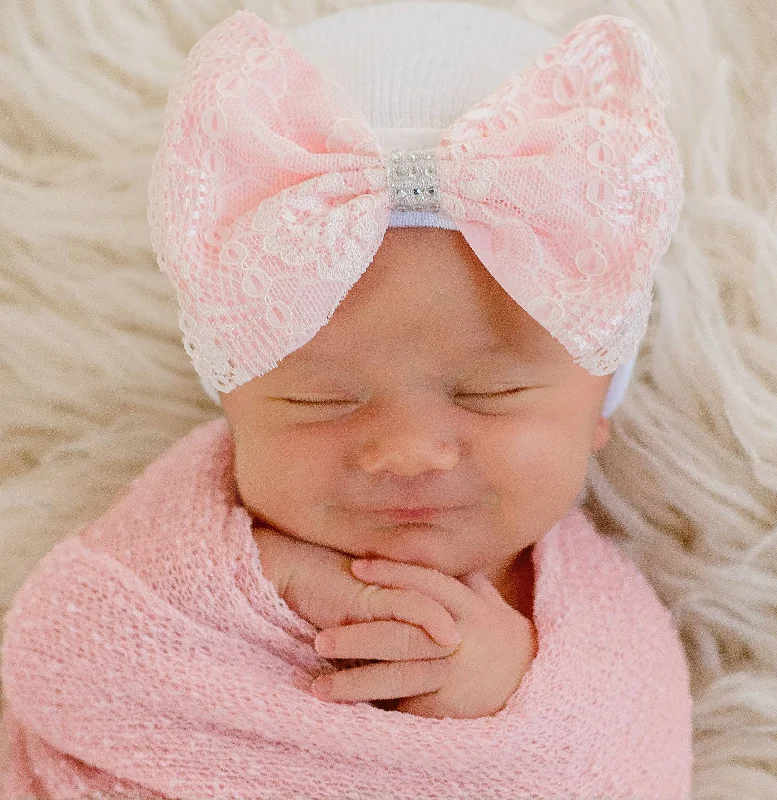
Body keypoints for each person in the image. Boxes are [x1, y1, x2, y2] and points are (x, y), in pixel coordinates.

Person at [0, 3, 693, 798]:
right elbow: (58, 654)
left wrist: (510, 699)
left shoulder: (596, 630)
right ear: (234, 396)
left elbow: (633, 764)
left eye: (490, 392)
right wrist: (256, 582)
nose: (403, 452)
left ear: (601, 398)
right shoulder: (175, 545)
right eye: (318, 399)